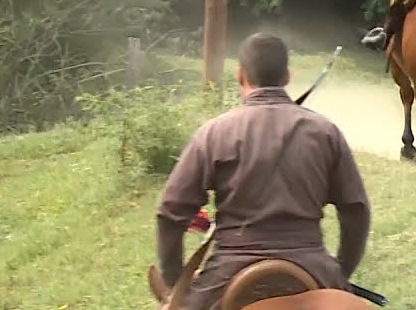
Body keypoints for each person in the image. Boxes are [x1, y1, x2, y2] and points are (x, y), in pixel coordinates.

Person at [154, 33, 371, 310]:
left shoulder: (214, 133)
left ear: (241, 75)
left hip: (228, 271)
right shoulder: (325, 132)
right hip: (312, 266)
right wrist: (340, 274)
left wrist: (175, 283)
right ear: (287, 77)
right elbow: (356, 209)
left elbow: (170, 213)